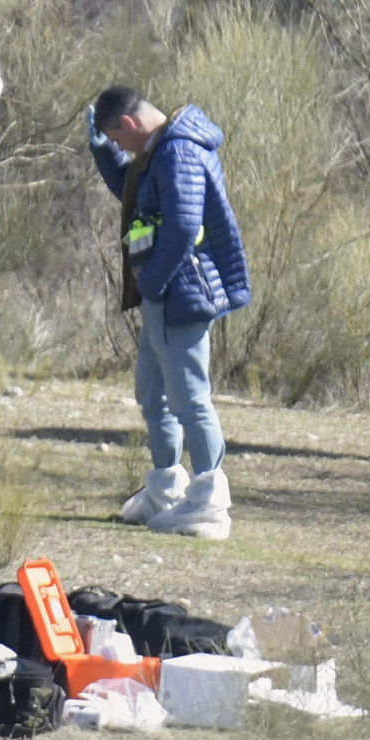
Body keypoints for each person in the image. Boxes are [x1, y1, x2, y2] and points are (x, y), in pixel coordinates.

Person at [86, 86, 250, 539]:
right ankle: (165, 489)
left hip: (180, 293)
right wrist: (103, 155)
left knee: (189, 397)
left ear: (131, 124)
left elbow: (181, 226)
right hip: (165, 293)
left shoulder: (177, 151)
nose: (119, 147)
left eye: (116, 138)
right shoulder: (159, 150)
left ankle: (208, 503)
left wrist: (152, 281)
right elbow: (136, 192)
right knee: (155, 393)